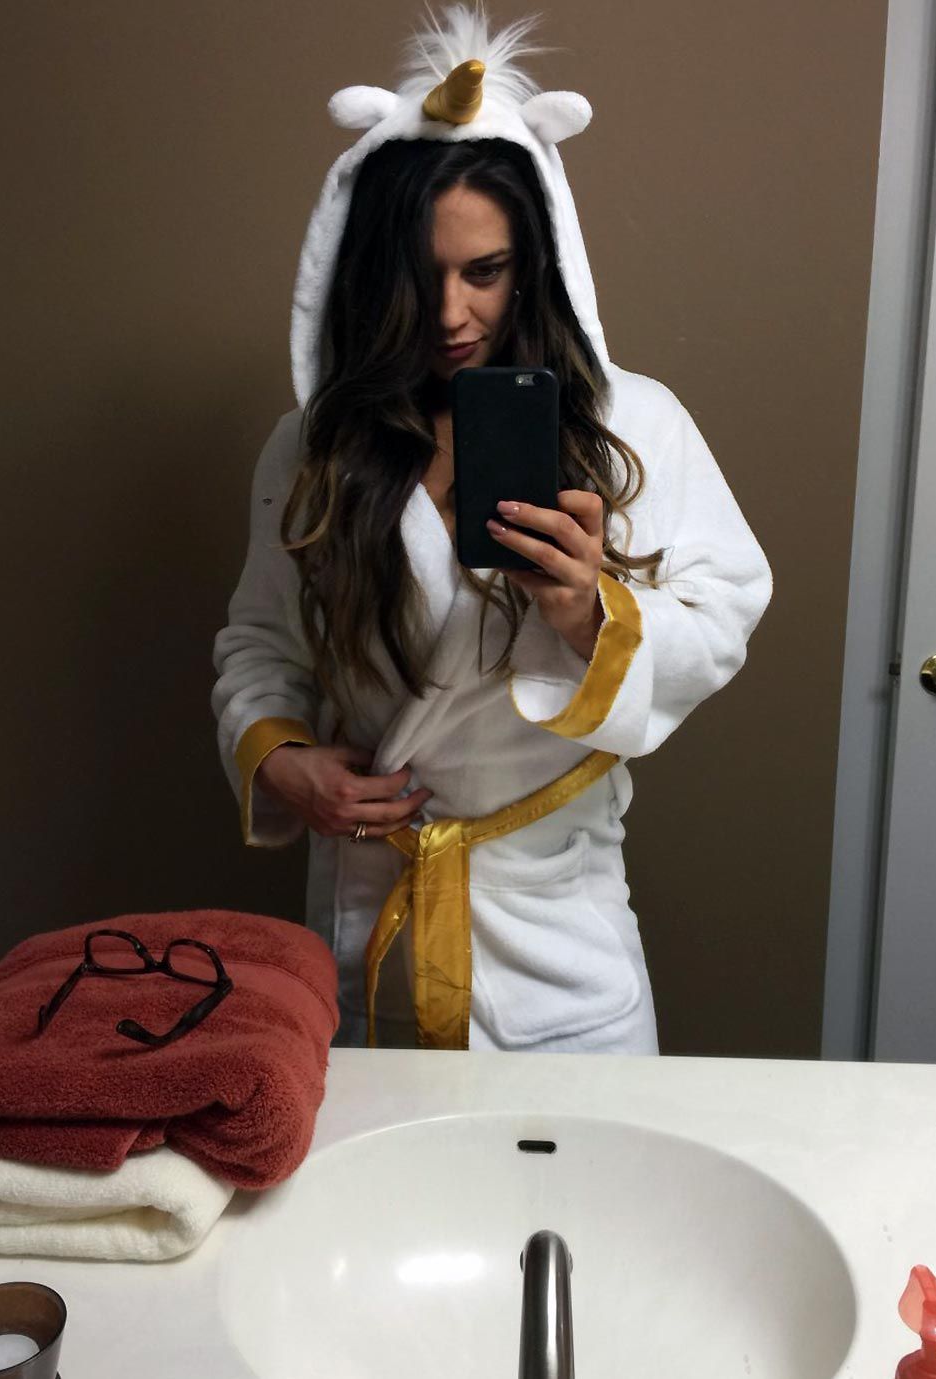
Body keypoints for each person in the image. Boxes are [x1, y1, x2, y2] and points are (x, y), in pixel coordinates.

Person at [211, 1, 773, 1054]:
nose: (449, 315)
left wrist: (589, 613)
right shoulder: (313, 444)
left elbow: (723, 616)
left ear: (536, 262)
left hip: (559, 939)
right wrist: (282, 760)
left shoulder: (634, 425)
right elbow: (260, 643)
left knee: (579, 1166)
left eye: (484, 272)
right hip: (367, 911)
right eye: (418, 275)